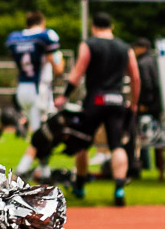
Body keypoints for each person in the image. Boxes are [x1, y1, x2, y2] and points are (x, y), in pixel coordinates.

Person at [56, 11, 139, 206]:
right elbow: (135, 77)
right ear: (112, 27)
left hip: (95, 100)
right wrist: (133, 102)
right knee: (116, 145)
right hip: (117, 100)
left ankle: (80, 185)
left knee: (83, 144)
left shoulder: (89, 44)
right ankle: (119, 189)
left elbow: (77, 73)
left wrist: (64, 96)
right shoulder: (125, 47)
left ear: (93, 27)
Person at [5, 11, 63, 178]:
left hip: (22, 88)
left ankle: (44, 171)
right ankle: (21, 170)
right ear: (42, 22)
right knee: (41, 135)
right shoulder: (46, 36)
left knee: (40, 131)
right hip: (40, 89)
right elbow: (58, 68)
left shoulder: (16, 38)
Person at [132, 37, 164, 181]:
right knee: (160, 139)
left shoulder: (142, 63)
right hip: (159, 105)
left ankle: (138, 167)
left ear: (141, 47)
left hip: (148, 107)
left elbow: (146, 84)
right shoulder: (156, 61)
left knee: (140, 136)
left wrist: (144, 103)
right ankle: (160, 170)